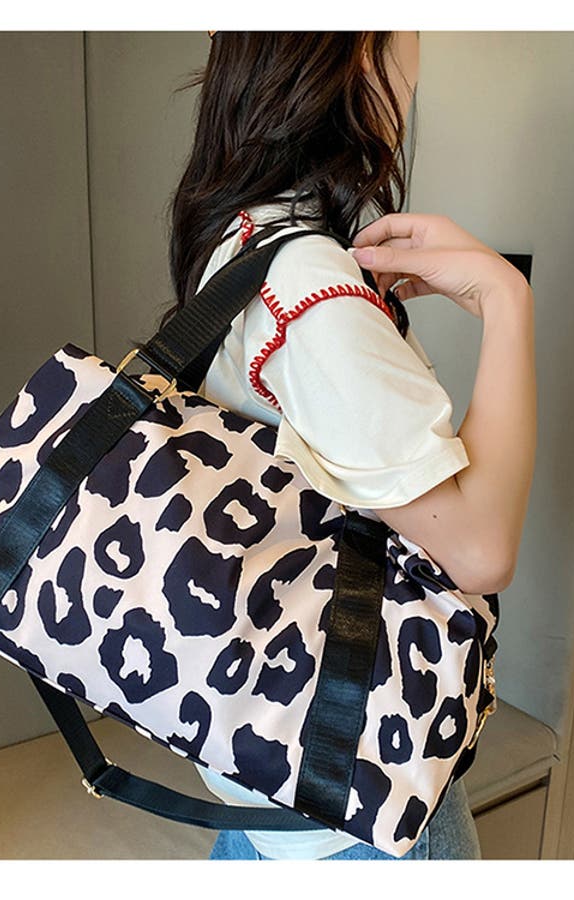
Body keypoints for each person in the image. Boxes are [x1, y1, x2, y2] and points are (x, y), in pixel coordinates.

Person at [160, 31, 537, 860]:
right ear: (363, 49)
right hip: (355, 814)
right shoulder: (310, 279)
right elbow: (481, 550)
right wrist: (506, 299)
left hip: (263, 770)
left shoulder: (240, 232)